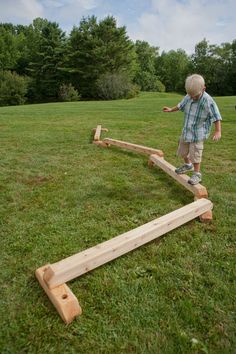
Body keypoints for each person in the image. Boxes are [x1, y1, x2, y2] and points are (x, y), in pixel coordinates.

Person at [163, 74, 222, 185]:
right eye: (190, 95)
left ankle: (196, 174)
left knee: (195, 154)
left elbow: (216, 116)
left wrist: (218, 131)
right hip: (187, 130)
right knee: (182, 151)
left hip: (198, 133)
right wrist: (171, 109)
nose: (192, 98)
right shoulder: (189, 96)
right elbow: (181, 105)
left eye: (195, 96)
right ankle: (188, 165)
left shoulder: (208, 101)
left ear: (203, 89)